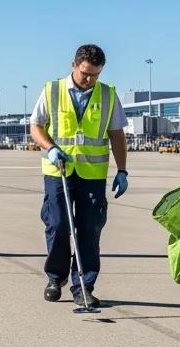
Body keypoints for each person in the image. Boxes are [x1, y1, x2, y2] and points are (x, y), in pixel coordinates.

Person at [30, 44, 128, 308]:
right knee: (58, 224)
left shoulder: (108, 95)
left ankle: (83, 285)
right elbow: (36, 125)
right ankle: (56, 276)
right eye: (85, 73)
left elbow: (117, 134)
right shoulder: (52, 90)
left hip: (92, 174)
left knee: (89, 230)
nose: (89, 80)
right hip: (58, 170)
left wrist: (122, 169)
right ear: (74, 65)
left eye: (95, 75)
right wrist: (50, 148)